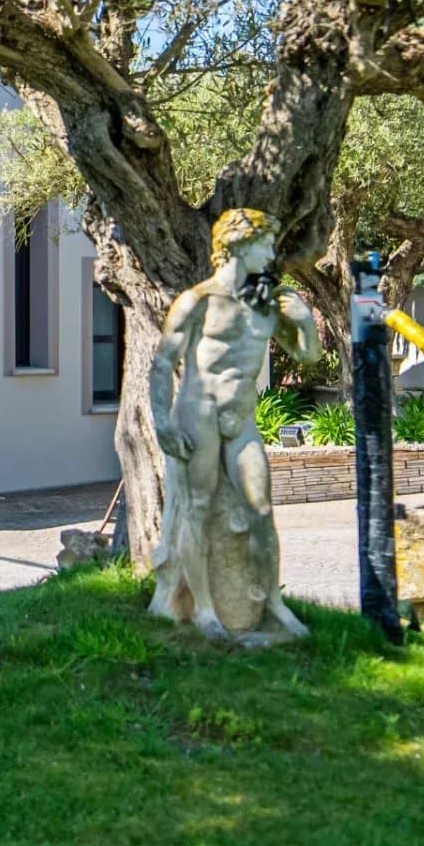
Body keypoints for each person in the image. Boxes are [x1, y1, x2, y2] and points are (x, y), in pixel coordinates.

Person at [148, 209, 319, 640]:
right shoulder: (199, 300)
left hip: (241, 418)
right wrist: (163, 423)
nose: (273, 253)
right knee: (197, 509)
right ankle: (203, 610)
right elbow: (163, 362)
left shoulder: (267, 301)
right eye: (266, 244)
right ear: (240, 243)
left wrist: (305, 323)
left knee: (261, 508)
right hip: (198, 411)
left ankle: (273, 604)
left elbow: (306, 357)